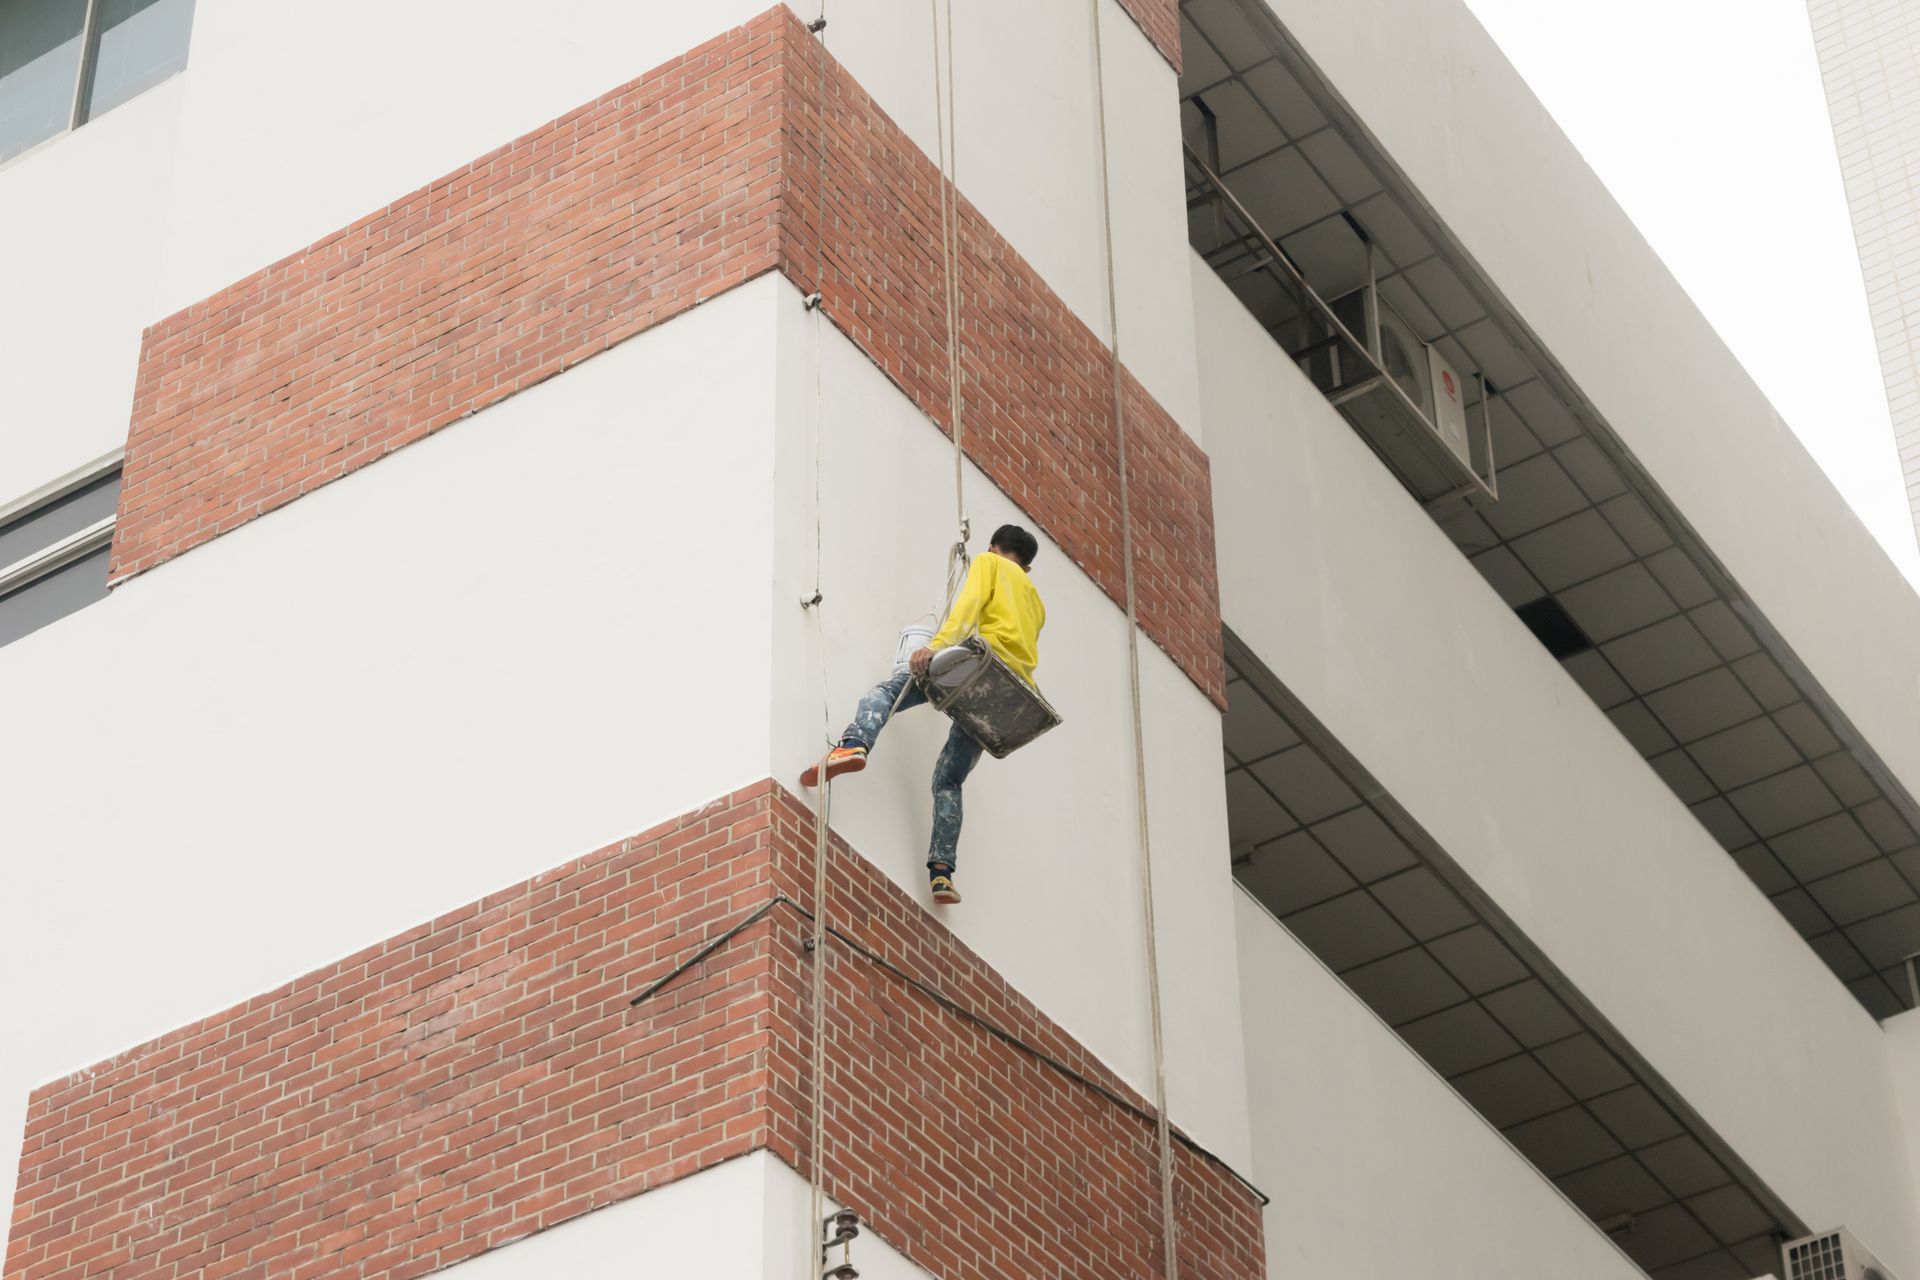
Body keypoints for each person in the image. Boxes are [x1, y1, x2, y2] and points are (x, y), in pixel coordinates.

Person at [800, 524, 1046, 905]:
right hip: (1006, 692)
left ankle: (854, 745)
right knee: (949, 779)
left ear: (994, 548)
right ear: (1027, 567)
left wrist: (935, 646)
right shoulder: (1035, 599)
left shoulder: (989, 563)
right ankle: (942, 874)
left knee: (887, 690)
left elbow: (968, 606)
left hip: (977, 667)